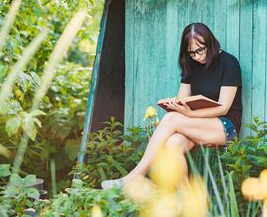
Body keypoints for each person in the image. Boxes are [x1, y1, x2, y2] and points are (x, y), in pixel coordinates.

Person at [101, 22, 243, 189]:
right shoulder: (191, 65)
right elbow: (182, 98)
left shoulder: (229, 63)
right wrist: (176, 104)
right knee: (173, 143)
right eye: (192, 53)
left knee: (171, 119)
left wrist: (189, 115)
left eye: (200, 50)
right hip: (197, 126)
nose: (197, 56)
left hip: (225, 126)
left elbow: (224, 107)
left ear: (210, 42)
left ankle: (136, 175)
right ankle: (186, 199)